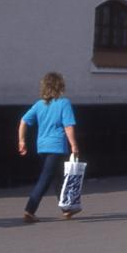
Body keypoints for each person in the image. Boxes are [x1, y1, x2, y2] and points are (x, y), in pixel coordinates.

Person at [18, 72, 79, 222]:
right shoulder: (64, 103)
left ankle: (67, 208)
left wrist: (21, 141)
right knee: (46, 178)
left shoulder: (39, 105)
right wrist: (74, 145)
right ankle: (29, 210)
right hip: (56, 147)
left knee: (57, 178)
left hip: (42, 147)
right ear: (60, 86)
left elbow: (23, 121)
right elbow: (68, 126)